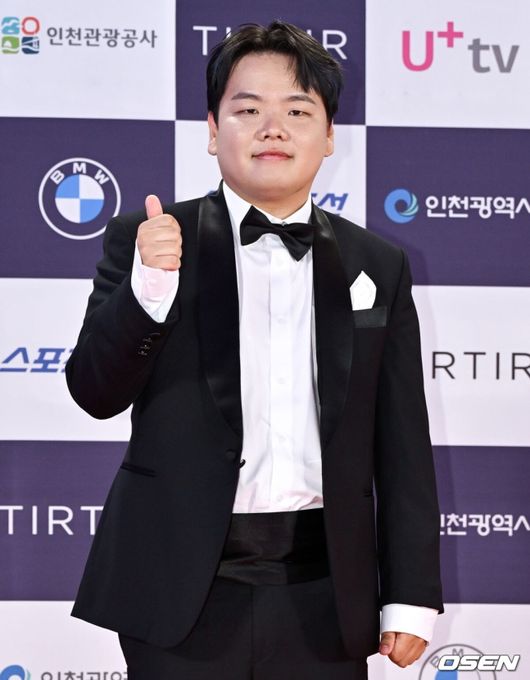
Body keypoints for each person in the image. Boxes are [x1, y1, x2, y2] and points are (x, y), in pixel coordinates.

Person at [66, 20, 443, 680]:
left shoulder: (378, 263)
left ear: (329, 135)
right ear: (214, 131)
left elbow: (403, 439)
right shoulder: (151, 238)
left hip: (325, 596)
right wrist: (149, 289)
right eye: (248, 110)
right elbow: (94, 392)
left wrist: (410, 594)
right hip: (177, 591)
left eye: (297, 111)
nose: (273, 129)